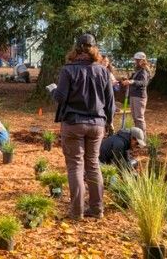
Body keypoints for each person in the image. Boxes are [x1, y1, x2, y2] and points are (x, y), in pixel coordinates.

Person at [46, 33, 115, 220]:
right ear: (94, 49)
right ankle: (97, 209)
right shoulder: (103, 71)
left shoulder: (68, 70)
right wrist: (109, 122)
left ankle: (77, 212)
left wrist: (52, 90)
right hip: (97, 124)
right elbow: (110, 102)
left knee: (75, 166)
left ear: (76, 49)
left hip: (74, 123)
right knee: (93, 165)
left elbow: (60, 97)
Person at [121, 52, 150, 133]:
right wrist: (127, 79)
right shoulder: (138, 70)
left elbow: (144, 83)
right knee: (135, 117)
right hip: (133, 95)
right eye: (135, 60)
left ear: (142, 60)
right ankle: (138, 136)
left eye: (137, 60)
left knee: (139, 118)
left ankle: (142, 138)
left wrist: (132, 82)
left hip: (139, 96)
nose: (135, 62)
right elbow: (133, 79)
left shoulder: (144, 71)